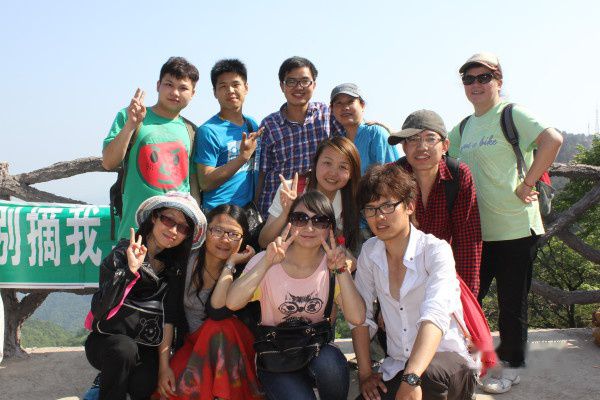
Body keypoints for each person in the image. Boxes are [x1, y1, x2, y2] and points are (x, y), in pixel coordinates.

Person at [448, 52, 563, 394]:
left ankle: (511, 367)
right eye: (469, 79)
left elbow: (552, 140)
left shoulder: (512, 114)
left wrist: (528, 182)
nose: (476, 84)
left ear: (499, 81)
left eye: (484, 77)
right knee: (468, 300)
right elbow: (440, 153)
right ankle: (469, 361)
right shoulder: (463, 128)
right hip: (476, 232)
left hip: (515, 228)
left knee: (512, 304)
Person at [351, 163, 477, 400]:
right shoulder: (370, 252)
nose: (379, 216)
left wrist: (412, 378)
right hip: (399, 364)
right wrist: (366, 374)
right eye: (371, 209)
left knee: (426, 379)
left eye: (388, 205)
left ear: (409, 206)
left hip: (445, 362)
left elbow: (435, 316)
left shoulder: (435, 250)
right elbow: (361, 317)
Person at [226, 190, 366, 400]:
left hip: (315, 350)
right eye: (300, 219)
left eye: (319, 221)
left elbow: (357, 317)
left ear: (329, 228)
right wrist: (266, 263)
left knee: (331, 363)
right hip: (276, 355)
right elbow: (232, 302)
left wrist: (341, 270)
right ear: (289, 223)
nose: (309, 228)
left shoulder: (332, 264)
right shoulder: (268, 259)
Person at [84, 192, 206, 400]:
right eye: (168, 220)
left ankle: (106, 382)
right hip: (107, 341)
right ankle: (103, 387)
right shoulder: (123, 253)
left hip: (146, 344)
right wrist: (130, 271)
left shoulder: (174, 268)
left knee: (144, 384)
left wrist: (164, 368)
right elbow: (100, 308)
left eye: (183, 228)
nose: (173, 231)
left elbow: (168, 319)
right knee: (124, 350)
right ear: (154, 217)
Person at [155, 204, 263, 400]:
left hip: (235, 345)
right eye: (218, 230)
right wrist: (164, 366)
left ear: (243, 239)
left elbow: (217, 311)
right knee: (171, 389)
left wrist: (230, 264)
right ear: (205, 232)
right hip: (195, 343)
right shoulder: (185, 262)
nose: (225, 239)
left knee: (218, 325)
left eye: (233, 234)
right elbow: (169, 316)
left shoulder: (245, 269)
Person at [102, 57, 199, 239]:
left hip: (174, 235)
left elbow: (191, 183)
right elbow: (108, 162)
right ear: (158, 85)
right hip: (134, 231)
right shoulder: (130, 115)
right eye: (169, 84)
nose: (175, 92)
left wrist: (193, 226)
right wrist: (131, 124)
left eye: (183, 88)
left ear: (193, 93)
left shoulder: (192, 131)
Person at [388, 109, 482, 296]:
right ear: (404, 147)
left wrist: (465, 295)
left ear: (445, 145)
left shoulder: (458, 175)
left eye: (430, 139)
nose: (421, 147)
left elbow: (467, 240)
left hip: (442, 274)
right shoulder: (391, 178)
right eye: (413, 139)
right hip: (401, 275)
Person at [256, 56, 342, 217]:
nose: (298, 87)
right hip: (276, 208)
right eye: (291, 81)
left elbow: (350, 135)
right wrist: (255, 208)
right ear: (282, 86)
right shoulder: (269, 125)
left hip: (317, 211)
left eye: (305, 81)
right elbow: (262, 172)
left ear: (314, 84)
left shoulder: (326, 114)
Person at [258, 136, 361, 255]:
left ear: (352, 173)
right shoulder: (290, 190)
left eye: (342, 167)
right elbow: (263, 241)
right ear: (315, 163)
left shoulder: (350, 200)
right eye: (327, 163)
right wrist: (286, 213)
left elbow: (342, 247)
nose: (333, 173)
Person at [194, 59, 262, 211]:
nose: (230, 90)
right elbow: (205, 182)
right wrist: (242, 157)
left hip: (246, 213)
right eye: (223, 86)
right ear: (215, 92)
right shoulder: (208, 130)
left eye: (236, 84)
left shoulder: (252, 125)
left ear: (246, 88)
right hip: (218, 213)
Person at [330, 83, 399, 175]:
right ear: (332, 109)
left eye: (350, 102)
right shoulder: (338, 142)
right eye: (339, 103)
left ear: (362, 105)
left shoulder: (376, 134)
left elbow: (393, 176)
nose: (345, 108)